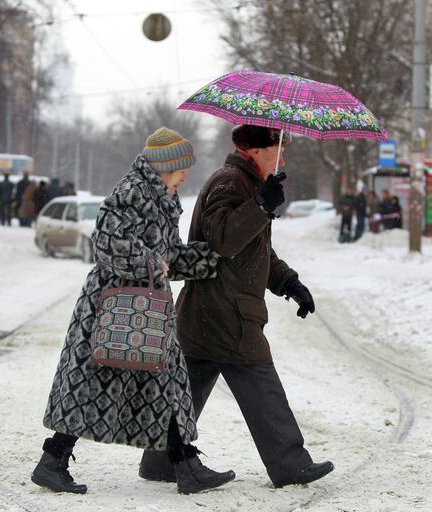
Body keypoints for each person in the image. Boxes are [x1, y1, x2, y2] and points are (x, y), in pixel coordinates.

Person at [33, 127, 235, 495]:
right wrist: (148, 263)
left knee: (168, 383)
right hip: (112, 306)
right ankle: (52, 461)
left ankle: (186, 465)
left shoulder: (162, 197)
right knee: (93, 385)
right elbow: (107, 242)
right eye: (182, 167)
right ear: (164, 166)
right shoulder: (132, 192)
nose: (186, 174)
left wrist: (210, 258)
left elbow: (168, 256)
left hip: (148, 308)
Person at [138, 124, 333, 489]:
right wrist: (261, 206)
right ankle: (290, 464)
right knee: (261, 383)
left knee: (190, 385)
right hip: (226, 312)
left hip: (209, 312)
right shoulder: (231, 182)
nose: (283, 155)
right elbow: (222, 239)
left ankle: (161, 459)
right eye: (279, 148)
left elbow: (254, 251)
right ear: (257, 150)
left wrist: (289, 282)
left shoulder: (246, 183)